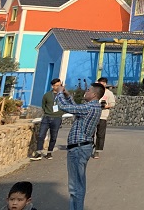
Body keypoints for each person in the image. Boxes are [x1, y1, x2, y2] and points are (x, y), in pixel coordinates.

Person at [55, 82, 103, 210]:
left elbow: (64, 107)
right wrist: (68, 96)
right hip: (81, 148)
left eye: (88, 90)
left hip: (78, 148)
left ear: (94, 94)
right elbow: (76, 109)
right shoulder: (92, 107)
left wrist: (59, 93)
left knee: (75, 187)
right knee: (77, 185)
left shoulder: (90, 107)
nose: (86, 92)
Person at [31, 79, 64, 160]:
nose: (58, 87)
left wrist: (60, 113)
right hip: (47, 117)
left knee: (53, 137)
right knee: (41, 135)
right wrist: (47, 112)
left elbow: (66, 105)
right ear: (52, 86)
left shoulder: (63, 96)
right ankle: (38, 153)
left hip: (57, 118)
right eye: (57, 85)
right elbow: (43, 105)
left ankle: (49, 153)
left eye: (60, 85)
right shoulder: (47, 95)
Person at [92, 77, 115, 159]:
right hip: (93, 115)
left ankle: (97, 151)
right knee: (90, 133)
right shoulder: (93, 91)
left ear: (105, 84)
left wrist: (105, 106)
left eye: (103, 83)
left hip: (103, 116)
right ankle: (89, 147)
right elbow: (86, 98)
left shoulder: (109, 93)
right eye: (100, 83)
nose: (102, 84)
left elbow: (112, 104)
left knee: (100, 134)